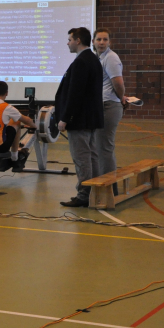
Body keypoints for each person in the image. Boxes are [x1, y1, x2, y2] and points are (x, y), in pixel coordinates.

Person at [56, 27, 104, 208]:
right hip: (89, 118)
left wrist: (65, 117)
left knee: (82, 157)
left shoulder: (81, 62)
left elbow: (75, 94)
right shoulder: (93, 59)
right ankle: (95, 190)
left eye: (70, 39)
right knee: (91, 156)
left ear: (78, 40)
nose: (68, 43)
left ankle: (84, 194)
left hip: (80, 119)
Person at [0, 81, 35, 172]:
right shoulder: (7, 108)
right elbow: (27, 120)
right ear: (6, 93)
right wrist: (34, 126)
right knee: (16, 121)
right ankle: (15, 158)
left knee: (4, 123)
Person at [93, 29, 127, 178]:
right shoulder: (99, 58)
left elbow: (118, 83)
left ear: (109, 42)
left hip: (108, 106)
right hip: (102, 105)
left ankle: (109, 184)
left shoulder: (111, 57)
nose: (102, 42)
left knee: (104, 148)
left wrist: (121, 97)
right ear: (93, 42)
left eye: (105, 40)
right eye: (99, 39)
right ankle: (103, 180)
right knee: (100, 147)